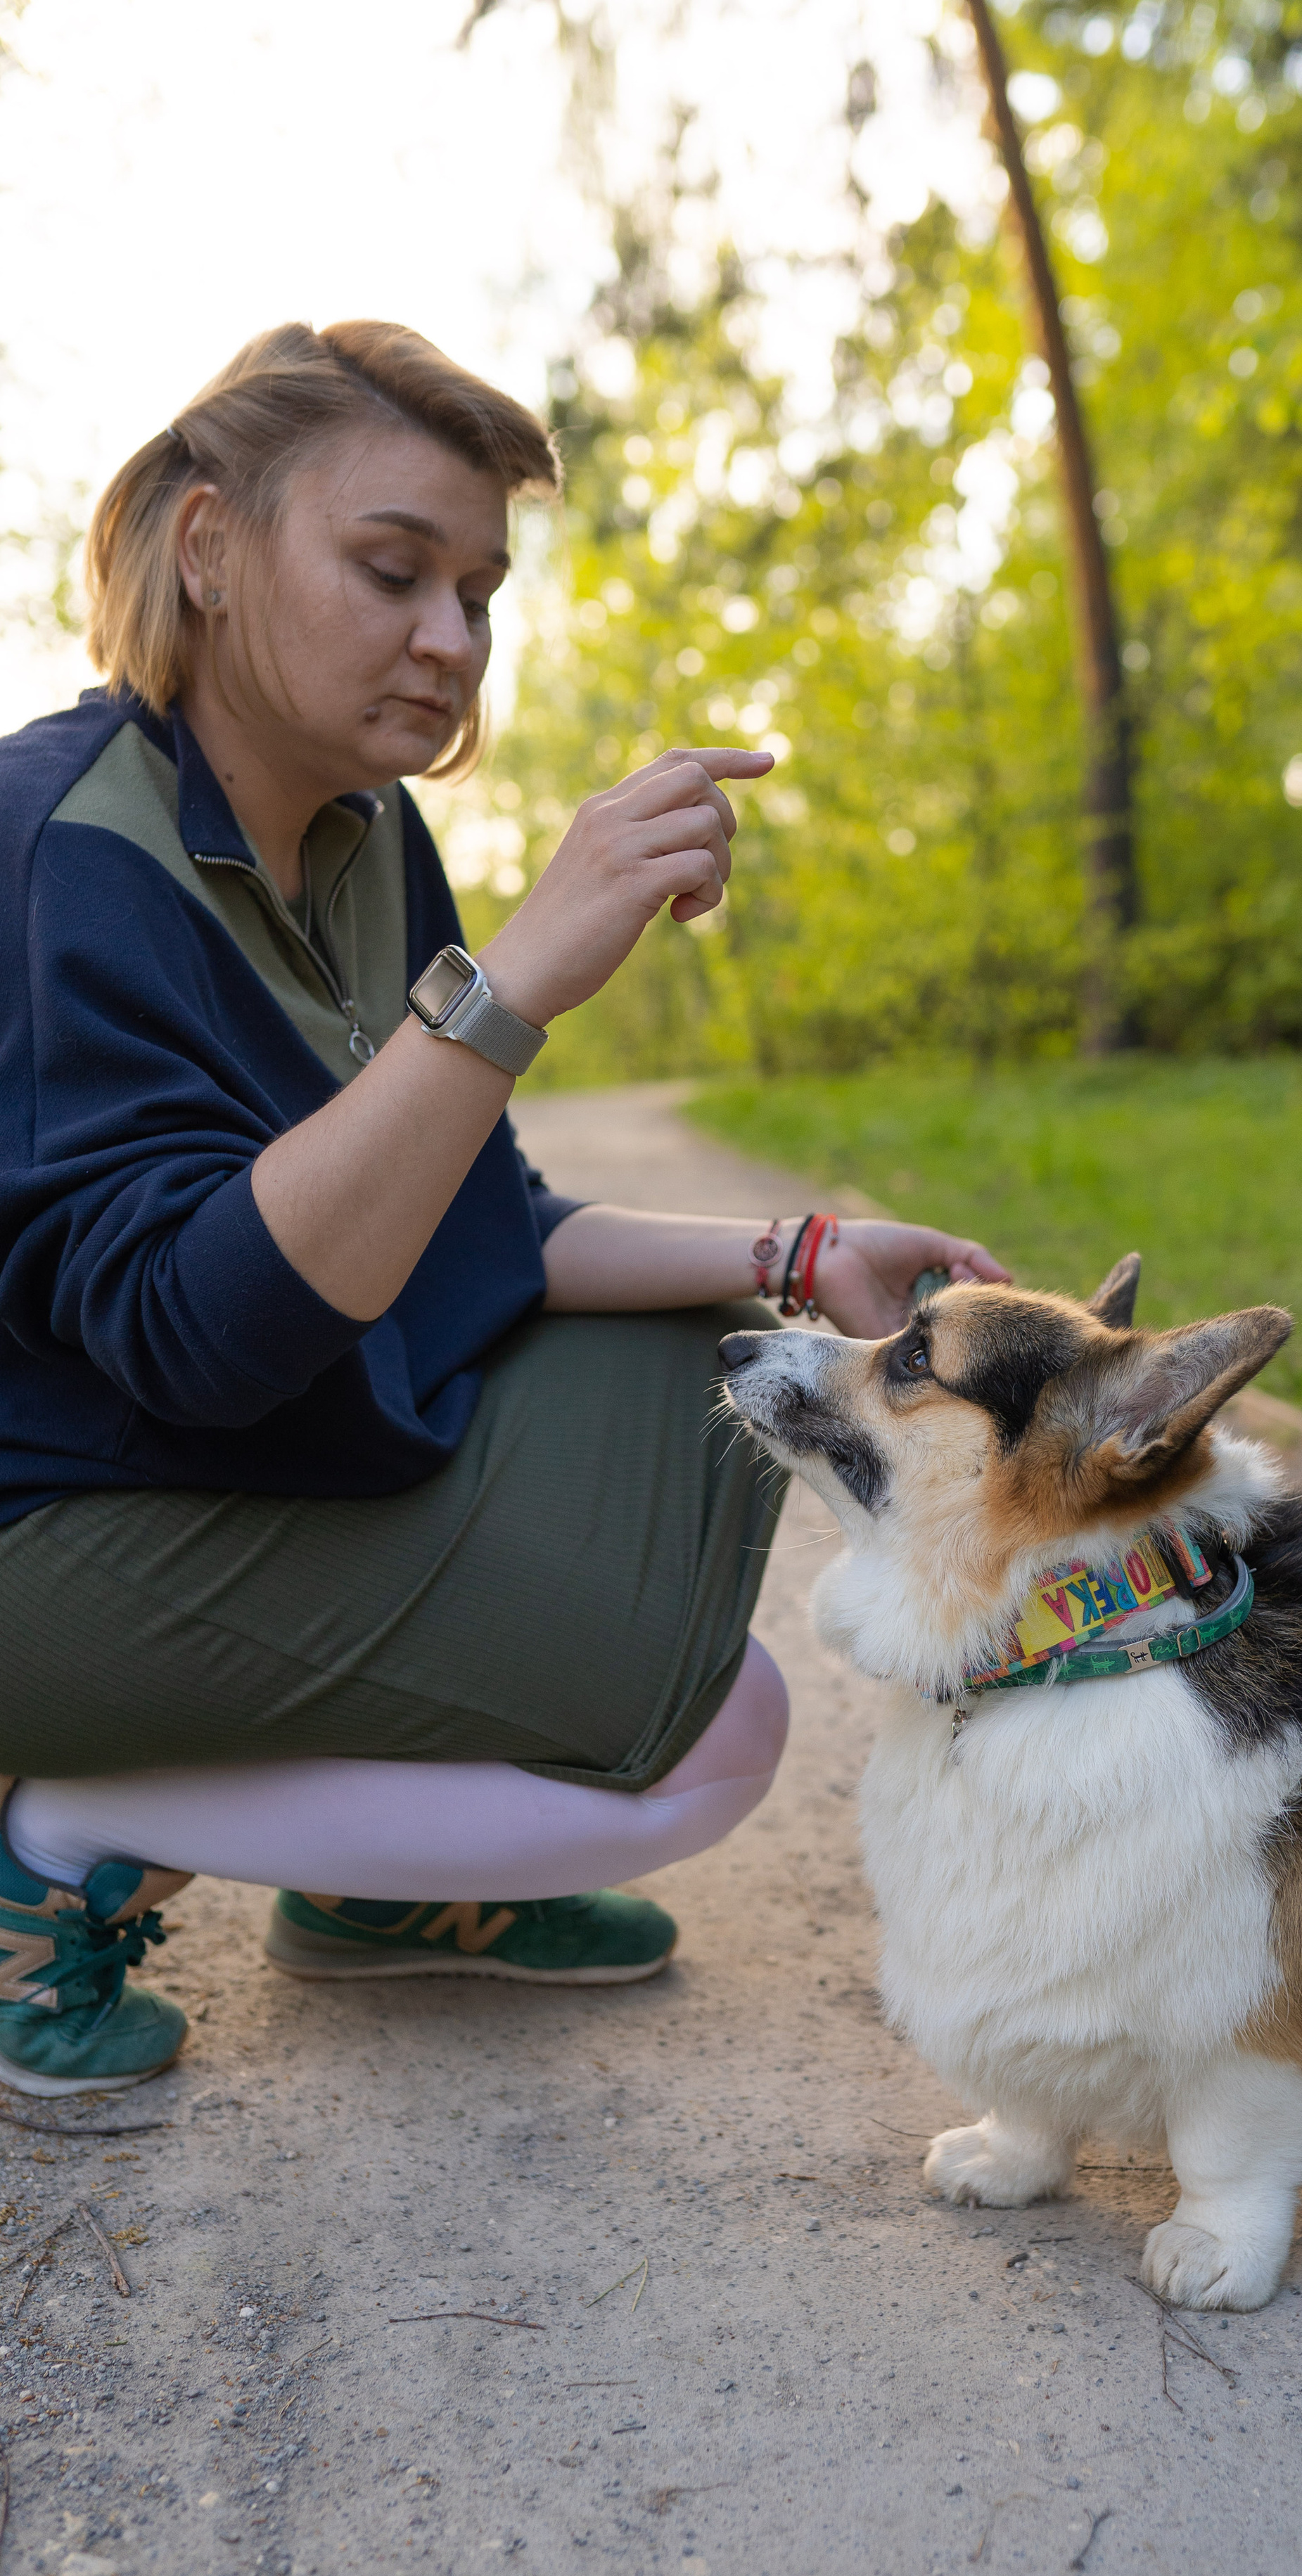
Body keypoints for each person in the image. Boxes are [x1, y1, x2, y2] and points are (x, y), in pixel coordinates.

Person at [0, 320, 1007, 2096]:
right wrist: (514, 984)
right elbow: (198, 1331)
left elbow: (471, 1222)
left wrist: (798, 1252)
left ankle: (375, 1892)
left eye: (479, 591)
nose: (452, 641)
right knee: (695, 1734)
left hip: (175, 1477)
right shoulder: (56, 849)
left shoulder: (362, 834)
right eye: (393, 571)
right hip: (45, 1527)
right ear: (213, 549)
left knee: (734, 1376)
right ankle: (55, 1846)